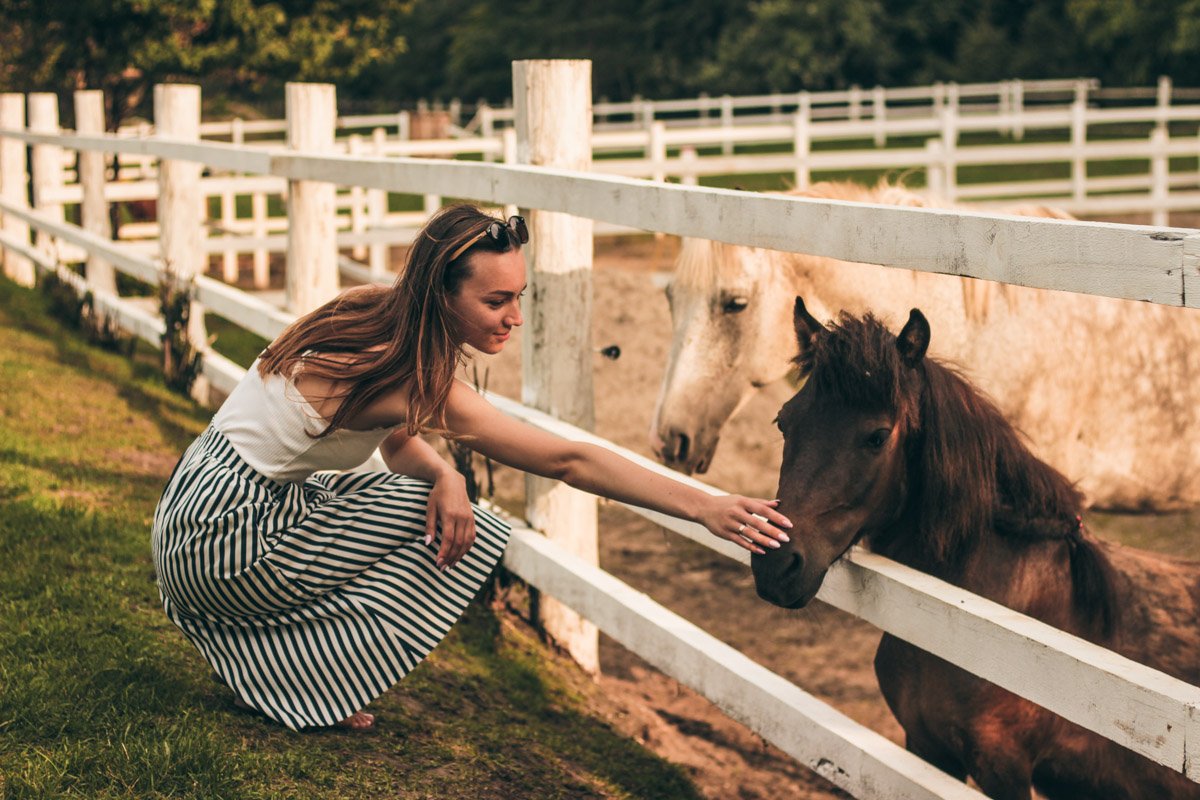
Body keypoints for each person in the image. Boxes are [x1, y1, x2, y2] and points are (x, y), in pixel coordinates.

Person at [151, 204, 792, 732]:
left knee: (421, 496)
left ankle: (285, 682)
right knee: (469, 530)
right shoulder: (409, 370)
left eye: (520, 296)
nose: (514, 316)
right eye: (496, 301)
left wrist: (446, 475)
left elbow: (396, 444)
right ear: (442, 292)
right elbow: (567, 460)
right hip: (223, 542)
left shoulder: (375, 313)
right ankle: (304, 683)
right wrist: (704, 505)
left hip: (196, 509)